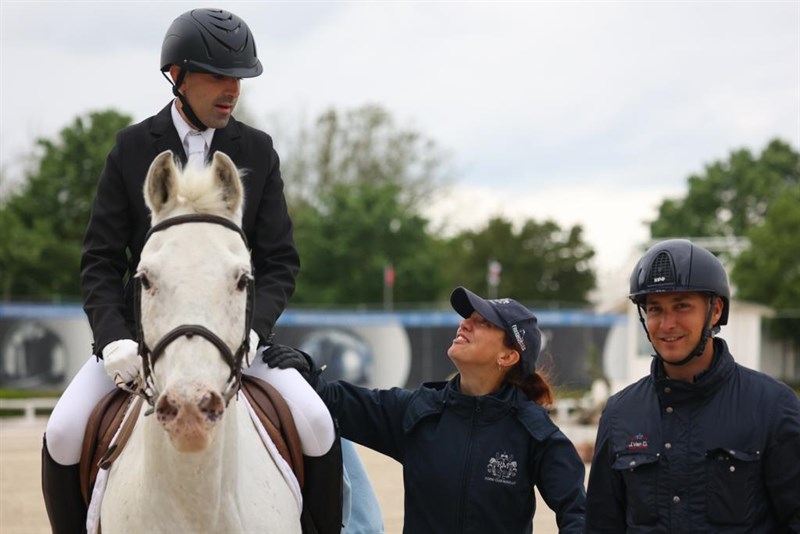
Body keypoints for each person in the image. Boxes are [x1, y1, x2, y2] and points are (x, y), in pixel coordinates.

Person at [41, 8, 349, 533]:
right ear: (177, 76)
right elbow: (99, 259)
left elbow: (279, 261)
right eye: (217, 77)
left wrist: (254, 332)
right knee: (64, 432)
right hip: (142, 344)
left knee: (317, 423)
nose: (232, 90)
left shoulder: (257, 151)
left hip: (236, 340)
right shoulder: (131, 147)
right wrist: (115, 340)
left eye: (239, 79)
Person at [264, 286, 587, 533]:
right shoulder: (419, 412)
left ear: (508, 357)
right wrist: (304, 369)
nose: (465, 324)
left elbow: (579, 515)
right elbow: (337, 400)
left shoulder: (535, 433)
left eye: (482, 322)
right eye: (467, 317)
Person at [586, 239, 800, 532]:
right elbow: (601, 525)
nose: (667, 323)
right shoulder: (620, 414)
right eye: (655, 309)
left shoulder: (773, 407)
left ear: (714, 311)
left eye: (682, 306)